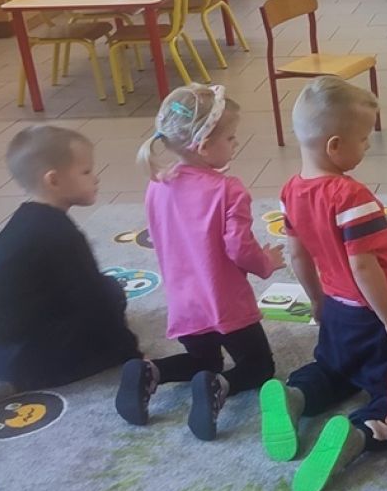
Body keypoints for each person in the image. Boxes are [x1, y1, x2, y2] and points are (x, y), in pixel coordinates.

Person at [257, 76, 387, 491]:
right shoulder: (351, 197)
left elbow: (297, 254)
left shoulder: (291, 191)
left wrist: (317, 300)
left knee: (333, 369)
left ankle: (297, 396)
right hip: (374, 315)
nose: (367, 146)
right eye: (363, 139)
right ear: (335, 145)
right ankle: (360, 433)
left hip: (335, 311)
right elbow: (364, 266)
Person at [115, 85, 285, 441]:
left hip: (184, 302)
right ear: (205, 146)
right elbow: (239, 249)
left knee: (203, 361)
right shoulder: (228, 189)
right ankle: (219, 386)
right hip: (226, 303)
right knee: (259, 367)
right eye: (231, 138)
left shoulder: (158, 184)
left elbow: (160, 237)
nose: (235, 144)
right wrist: (267, 263)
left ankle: (150, 371)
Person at [0, 126, 141, 415]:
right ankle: (15, 386)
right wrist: (127, 350)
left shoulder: (22, 220)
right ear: (54, 180)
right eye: (86, 172)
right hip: (25, 360)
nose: (95, 178)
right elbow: (94, 301)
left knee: (108, 288)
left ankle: (15, 372)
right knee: (111, 300)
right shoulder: (60, 235)